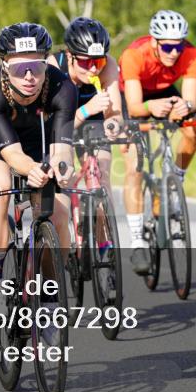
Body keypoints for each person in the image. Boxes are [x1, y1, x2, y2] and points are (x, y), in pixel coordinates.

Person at [0, 23, 76, 313]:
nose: (29, 76)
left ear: (46, 63)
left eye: (37, 67)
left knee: (58, 212)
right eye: (19, 68)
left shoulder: (63, 87)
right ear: (4, 66)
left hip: (37, 140)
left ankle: (51, 294)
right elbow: (12, 154)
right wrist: (32, 170)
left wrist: (61, 169)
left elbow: (62, 148)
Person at [119, 10, 196, 275]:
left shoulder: (191, 54)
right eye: (167, 46)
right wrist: (150, 107)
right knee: (135, 168)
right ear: (154, 42)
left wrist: (184, 108)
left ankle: (176, 176)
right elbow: (133, 107)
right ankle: (137, 241)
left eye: (178, 46)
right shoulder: (134, 55)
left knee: (194, 127)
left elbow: (190, 100)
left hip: (165, 91)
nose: (174, 52)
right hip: (135, 95)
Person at [47, 17, 122, 251]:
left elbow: (115, 114)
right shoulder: (53, 67)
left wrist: (114, 126)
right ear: (69, 55)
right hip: (60, 126)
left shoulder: (107, 66)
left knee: (102, 172)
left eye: (97, 61)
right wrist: (86, 109)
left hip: (92, 123)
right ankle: (66, 235)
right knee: (64, 178)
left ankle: (103, 240)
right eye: (85, 62)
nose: (93, 68)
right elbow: (52, 123)